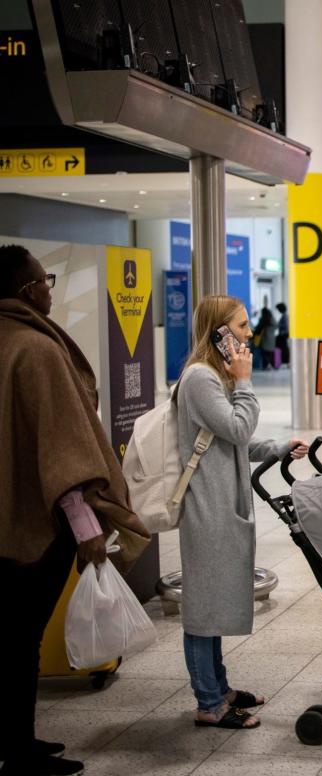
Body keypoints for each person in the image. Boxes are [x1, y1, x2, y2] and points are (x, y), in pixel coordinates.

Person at [0, 244, 150, 776]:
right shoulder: (36, 351)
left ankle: (16, 741)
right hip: (36, 528)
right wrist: (89, 532)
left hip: (5, 514)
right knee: (22, 638)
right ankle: (18, 750)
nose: (49, 290)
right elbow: (65, 457)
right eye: (45, 282)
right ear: (26, 291)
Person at [175, 295, 309, 729]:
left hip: (221, 500)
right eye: (242, 325)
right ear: (219, 331)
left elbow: (230, 439)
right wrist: (246, 381)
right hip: (206, 505)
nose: (250, 333)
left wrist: (277, 448)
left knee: (213, 602)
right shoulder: (200, 379)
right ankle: (208, 704)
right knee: (203, 606)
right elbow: (236, 426)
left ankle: (220, 688)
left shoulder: (215, 376)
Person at [253, 307, 276, 371]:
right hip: (272, 339)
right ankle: (269, 365)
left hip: (265, 339)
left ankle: (266, 365)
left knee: (264, 353)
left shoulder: (263, 320)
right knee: (269, 353)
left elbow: (258, 329)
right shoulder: (272, 320)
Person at [275, 302, 289, 368]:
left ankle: (284, 361)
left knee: (283, 348)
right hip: (284, 334)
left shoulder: (284, 316)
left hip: (284, 335)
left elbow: (286, 326)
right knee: (284, 348)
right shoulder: (285, 316)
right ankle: (283, 361)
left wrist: (278, 325)